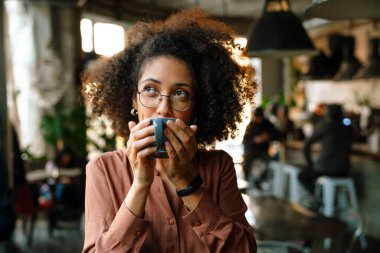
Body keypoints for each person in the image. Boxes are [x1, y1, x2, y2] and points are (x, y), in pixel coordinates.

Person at [81, 9, 256, 253]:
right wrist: (141, 183)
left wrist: (186, 183)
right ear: (134, 100)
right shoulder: (103, 170)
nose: (163, 108)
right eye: (151, 90)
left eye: (180, 93)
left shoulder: (218, 167)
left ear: (195, 107)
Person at [299, 104, 354, 195]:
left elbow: (307, 145)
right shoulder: (349, 128)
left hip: (325, 170)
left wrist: (310, 163)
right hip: (344, 171)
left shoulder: (325, 125)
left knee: (302, 176)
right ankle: (324, 198)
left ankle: (320, 197)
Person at [242, 107, 276, 182]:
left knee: (270, 164)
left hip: (263, 151)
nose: (258, 119)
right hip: (252, 152)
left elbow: (276, 135)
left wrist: (267, 136)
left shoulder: (268, 124)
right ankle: (247, 181)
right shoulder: (251, 126)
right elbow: (244, 141)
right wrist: (254, 140)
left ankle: (261, 181)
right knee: (246, 165)